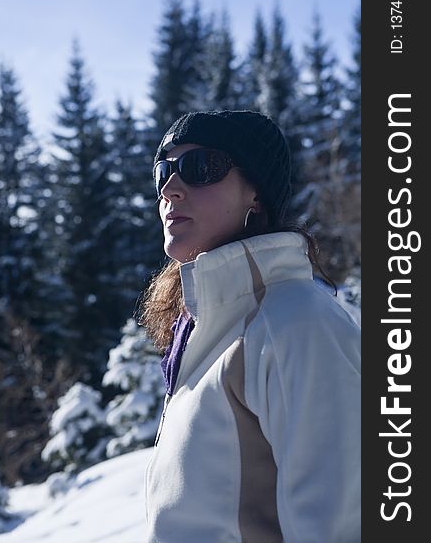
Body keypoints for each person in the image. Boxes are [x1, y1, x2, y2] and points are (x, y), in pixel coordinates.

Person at [140, 110, 360, 543]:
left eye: (200, 167)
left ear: (255, 194)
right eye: (162, 170)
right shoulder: (207, 334)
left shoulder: (295, 322)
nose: (170, 188)